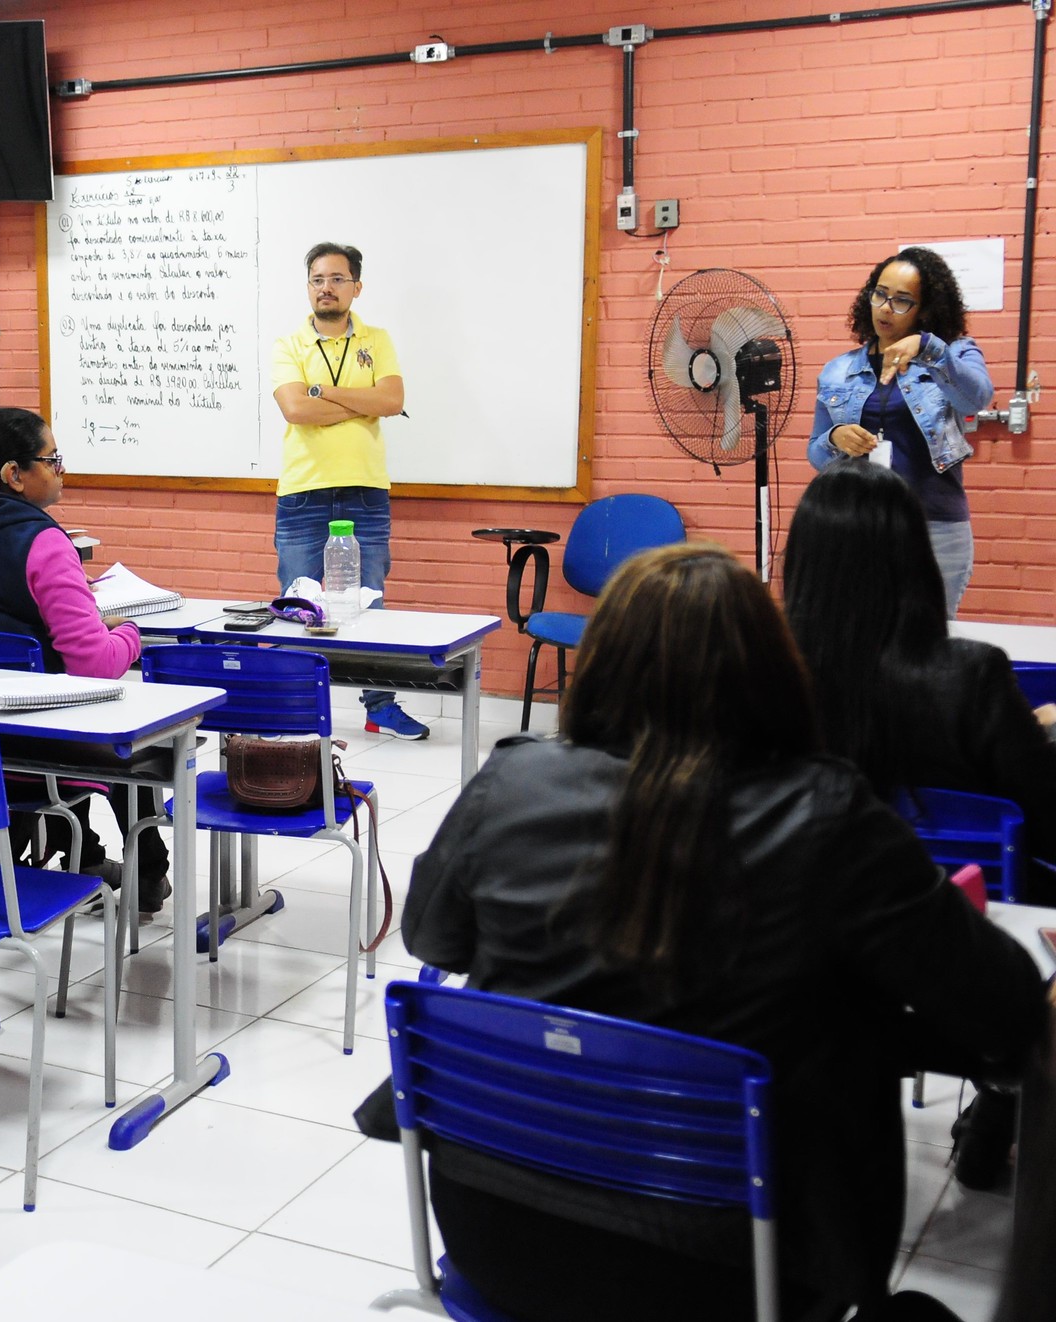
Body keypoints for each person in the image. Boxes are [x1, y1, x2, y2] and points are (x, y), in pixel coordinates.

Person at [400, 542, 1043, 1322]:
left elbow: (435, 940)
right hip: (728, 1276)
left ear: (600, 660)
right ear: (772, 670)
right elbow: (1005, 1009)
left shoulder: (513, 780)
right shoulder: (826, 815)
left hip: (496, 1234)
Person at [784, 457, 1056, 1188]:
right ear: (915, 559)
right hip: (980, 930)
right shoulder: (970, 675)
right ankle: (1001, 1099)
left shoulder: (770, 680)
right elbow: (1047, 819)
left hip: (809, 934)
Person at [0, 407, 171, 915]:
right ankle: (148, 871)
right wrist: (130, 634)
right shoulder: (42, 540)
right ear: (14, 474)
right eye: (52, 460)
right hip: (35, 745)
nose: (60, 470)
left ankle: (84, 856)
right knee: (131, 728)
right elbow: (95, 663)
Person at [269, 241, 422, 738]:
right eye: (317, 279)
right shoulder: (289, 343)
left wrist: (323, 391)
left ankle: (379, 707)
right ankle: (292, 710)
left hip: (363, 492)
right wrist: (363, 403)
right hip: (303, 493)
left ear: (356, 286)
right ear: (308, 287)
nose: (325, 288)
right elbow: (295, 410)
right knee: (297, 606)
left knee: (369, 603)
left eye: (336, 278)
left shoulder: (376, 339)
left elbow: (393, 398)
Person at [806, 246, 993, 616]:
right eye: (880, 294)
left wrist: (928, 349)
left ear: (926, 309)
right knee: (859, 641)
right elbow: (815, 453)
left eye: (903, 301)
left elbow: (976, 398)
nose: (886, 308)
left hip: (934, 527)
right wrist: (834, 439)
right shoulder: (838, 370)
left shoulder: (955, 353)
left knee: (929, 645)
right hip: (858, 527)